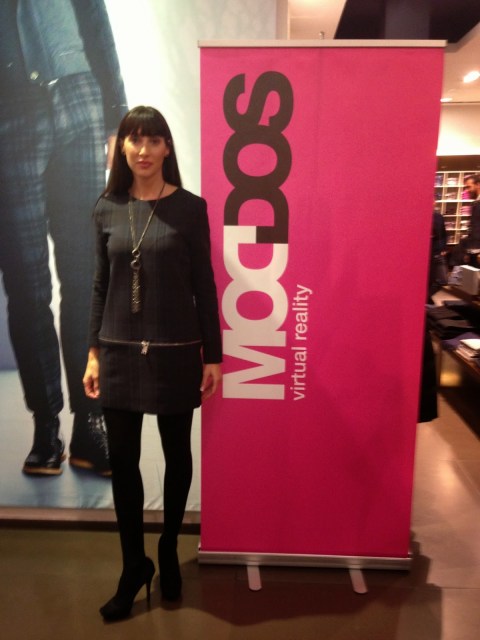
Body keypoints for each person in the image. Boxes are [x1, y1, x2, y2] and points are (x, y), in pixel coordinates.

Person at [83, 106, 222, 621]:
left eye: (153, 140)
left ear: (167, 148)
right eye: (134, 139)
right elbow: (100, 285)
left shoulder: (190, 208)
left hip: (176, 352)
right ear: (122, 147)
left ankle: (166, 547)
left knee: (176, 454)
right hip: (118, 352)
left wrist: (214, 355)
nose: (143, 150)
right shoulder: (106, 207)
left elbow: (204, 285)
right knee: (123, 463)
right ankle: (133, 566)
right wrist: (93, 353)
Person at [0, 0, 128, 476]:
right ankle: (46, 426)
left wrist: (116, 115)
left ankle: (90, 424)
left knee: (85, 276)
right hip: (9, 109)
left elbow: (95, 20)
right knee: (26, 283)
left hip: (79, 99)